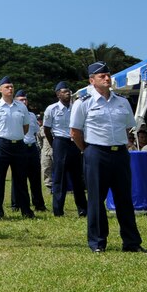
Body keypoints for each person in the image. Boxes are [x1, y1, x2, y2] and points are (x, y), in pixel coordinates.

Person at [69, 62, 147, 253]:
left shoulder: (122, 101)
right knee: (96, 200)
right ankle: (97, 242)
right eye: (102, 75)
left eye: (108, 75)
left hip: (120, 153)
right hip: (96, 153)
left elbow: (129, 126)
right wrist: (87, 150)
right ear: (92, 80)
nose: (106, 78)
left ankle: (131, 243)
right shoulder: (83, 102)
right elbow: (75, 132)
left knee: (124, 199)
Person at [0, 76, 35, 219]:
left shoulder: (21, 106)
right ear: (0, 89)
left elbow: (25, 126)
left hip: (19, 144)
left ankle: (25, 209)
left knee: (21, 179)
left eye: (11, 86)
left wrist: (16, 136)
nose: (10, 89)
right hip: (1, 145)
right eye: (7, 87)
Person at [44, 82, 87, 217]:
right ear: (58, 94)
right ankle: (58, 210)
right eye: (64, 91)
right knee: (60, 178)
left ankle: (82, 209)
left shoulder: (76, 108)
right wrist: (55, 144)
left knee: (78, 178)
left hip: (74, 143)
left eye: (68, 90)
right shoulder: (52, 109)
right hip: (60, 142)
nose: (67, 93)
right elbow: (46, 129)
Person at [16, 90, 48, 212]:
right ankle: (18, 204)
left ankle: (39, 204)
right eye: (21, 100)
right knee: (19, 178)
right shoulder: (15, 113)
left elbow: (35, 131)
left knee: (35, 178)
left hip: (32, 147)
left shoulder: (32, 115)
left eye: (25, 99)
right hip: (20, 146)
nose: (24, 102)